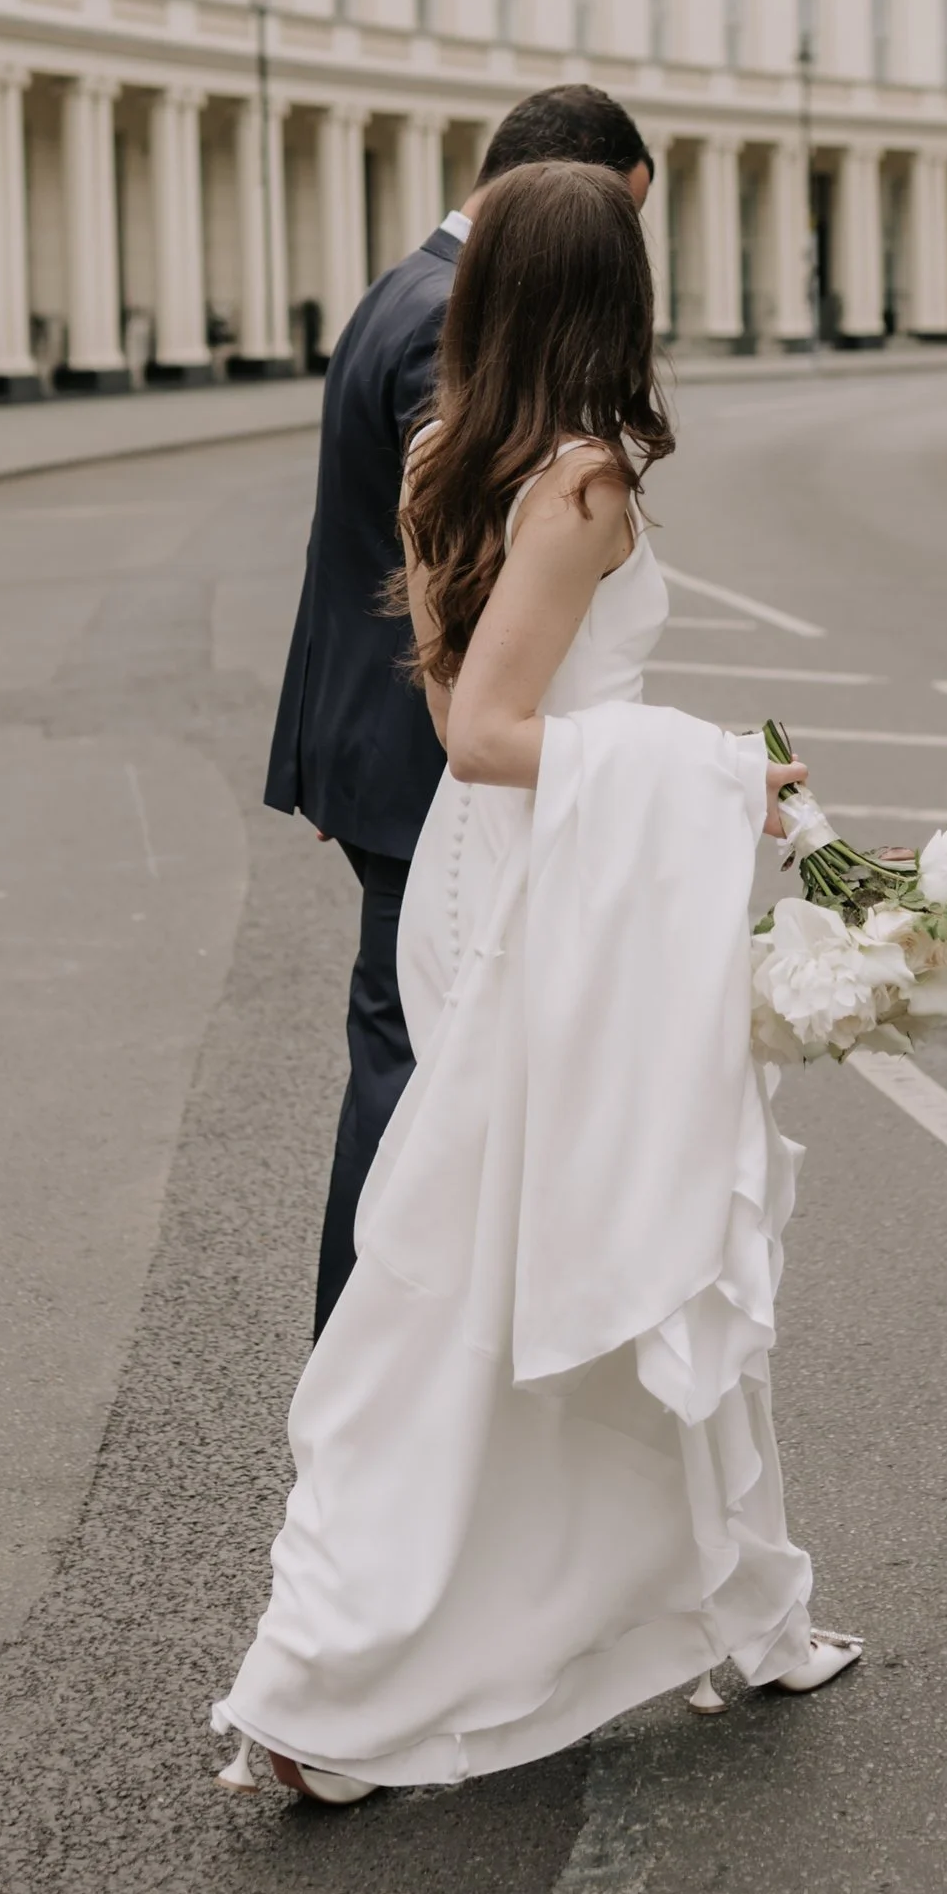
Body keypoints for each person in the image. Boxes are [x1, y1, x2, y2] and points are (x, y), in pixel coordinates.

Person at [219, 159, 859, 1804]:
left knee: (524, 1240)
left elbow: (472, 689)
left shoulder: (458, 451)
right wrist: (717, 773)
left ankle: (730, 1597)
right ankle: (343, 1675)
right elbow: (491, 729)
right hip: (560, 890)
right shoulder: (580, 482)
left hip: (500, 875)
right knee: (570, 1244)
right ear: (609, 295)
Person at [267, 85, 655, 1334]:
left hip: (376, 744)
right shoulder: (449, 324)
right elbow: (485, 585)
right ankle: (374, 1371)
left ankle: (387, 1384)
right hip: (449, 782)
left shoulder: (398, 284)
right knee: (422, 1095)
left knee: (414, 1076)